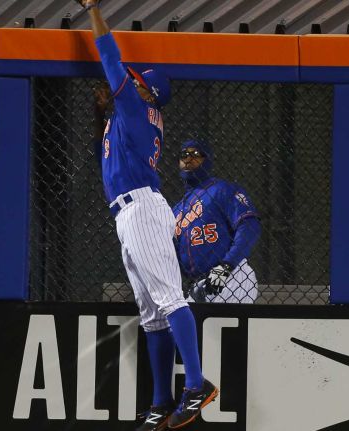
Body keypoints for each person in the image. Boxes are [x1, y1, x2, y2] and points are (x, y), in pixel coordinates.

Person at [81, 1, 218, 429]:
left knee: (170, 299)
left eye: (138, 82)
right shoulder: (132, 113)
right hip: (129, 213)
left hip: (141, 208)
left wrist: (93, 9)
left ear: (148, 93)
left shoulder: (140, 107)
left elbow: (107, 52)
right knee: (152, 314)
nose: (130, 81)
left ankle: (196, 385)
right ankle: (161, 401)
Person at [172, 140, 262, 304]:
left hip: (232, 276)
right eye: (184, 155)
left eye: (196, 154)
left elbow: (250, 226)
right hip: (199, 285)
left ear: (208, 160)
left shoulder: (222, 189)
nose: (188, 159)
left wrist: (226, 266)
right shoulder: (177, 210)